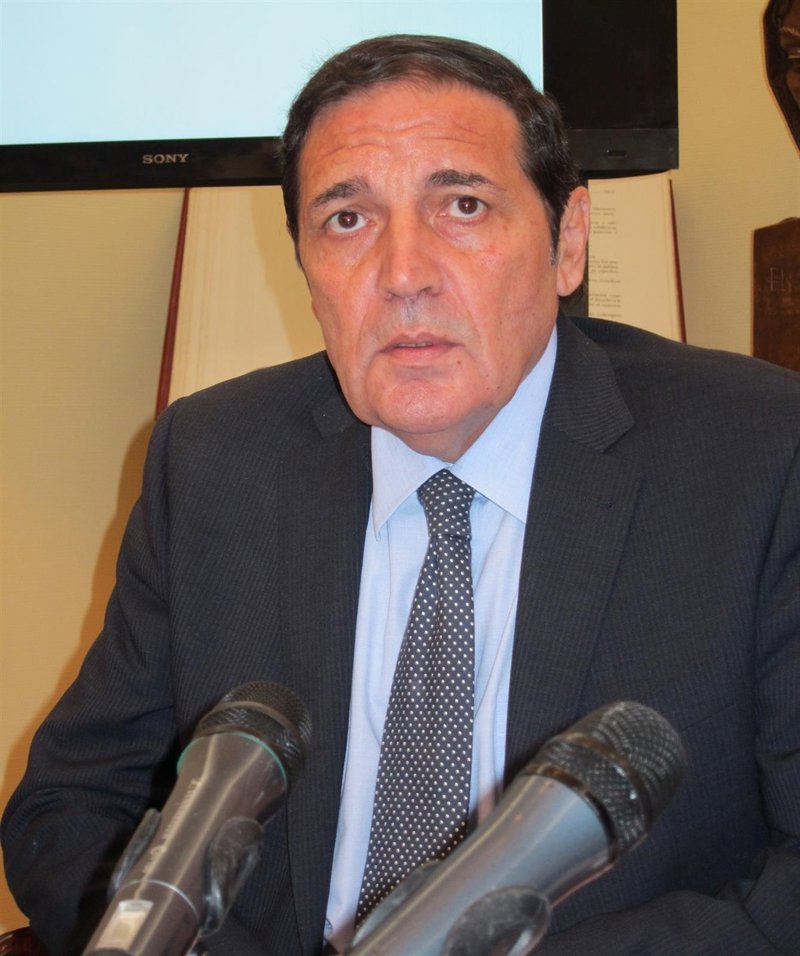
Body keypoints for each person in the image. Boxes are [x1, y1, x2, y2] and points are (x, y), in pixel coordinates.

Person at [3, 34, 800, 956]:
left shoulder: (760, 454)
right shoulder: (215, 459)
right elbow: (67, 811)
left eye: (462, 205)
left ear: (567, 240)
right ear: (305, 265)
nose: (403, 274)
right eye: (347, 220)